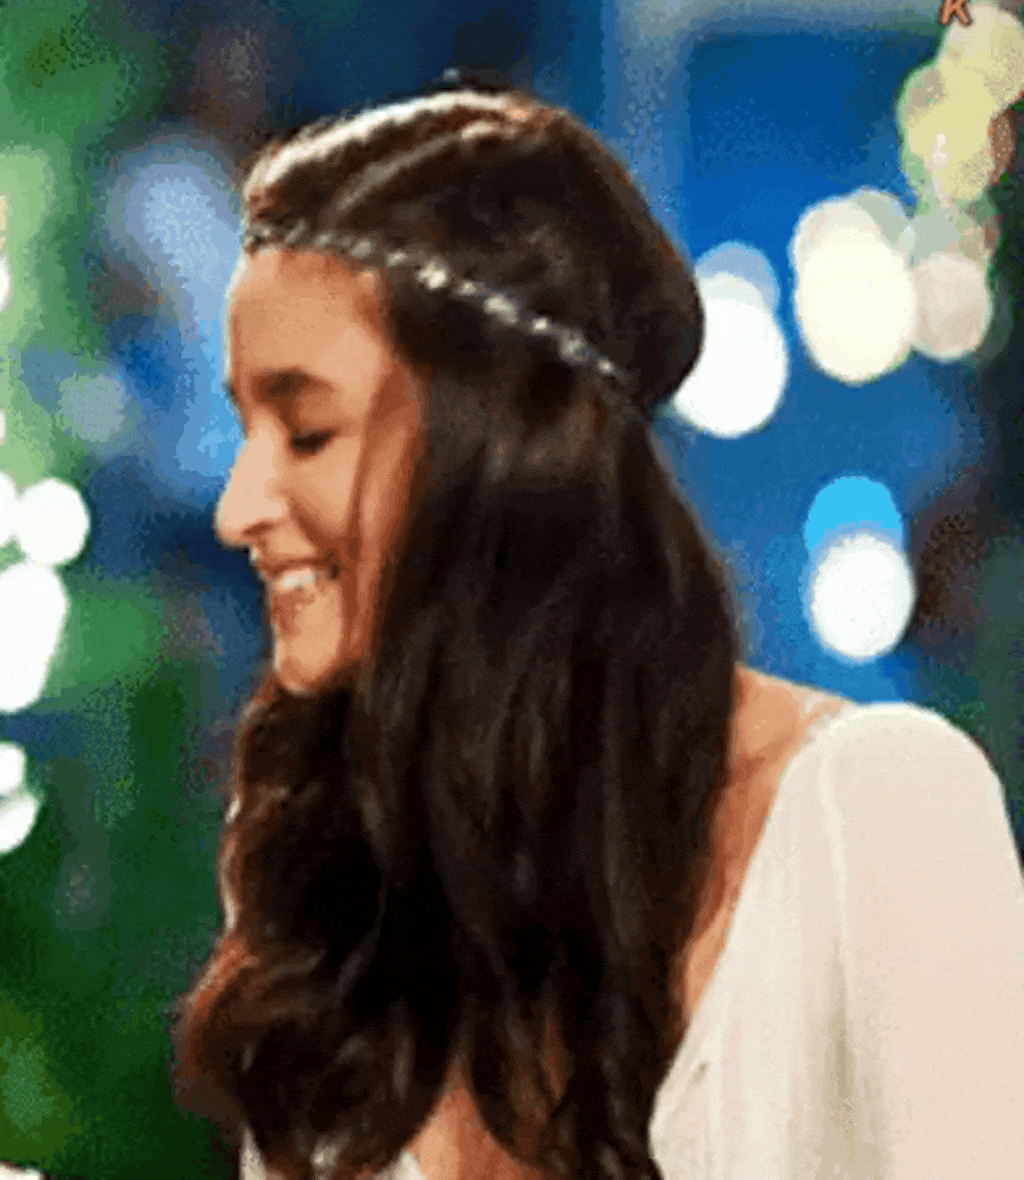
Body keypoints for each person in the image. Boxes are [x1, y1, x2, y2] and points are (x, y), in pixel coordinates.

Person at [168, 71, 1024, 1180]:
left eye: (308, 431)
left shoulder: (874, 807)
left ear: (496, 456)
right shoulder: (330, 880)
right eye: (245, 426)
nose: (238, 507)